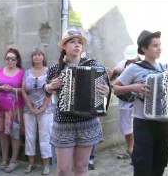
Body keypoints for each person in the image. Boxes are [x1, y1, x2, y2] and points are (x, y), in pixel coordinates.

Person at [44, 28, 110, 176]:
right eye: (72, 42)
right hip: (64, 123)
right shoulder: (55, 68)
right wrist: (50, 86)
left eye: (79, 42)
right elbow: (46, 91)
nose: (77, 45)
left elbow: (105, 91)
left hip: (87, 122)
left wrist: (105, 92)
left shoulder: (94, 66)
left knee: (81, 167)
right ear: (64, 46)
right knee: (63, 170)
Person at [113, 30, 168, 176]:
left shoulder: (165, 68)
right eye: (154, 45)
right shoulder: (134, 68)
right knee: (143, 164)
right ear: (144, 49)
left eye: (159, 45)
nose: (159, 48)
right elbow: (115, 88)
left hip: (164, 122)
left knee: (160, 162)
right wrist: (133, 87)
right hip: (144, 122)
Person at [21, 48, 54, 175]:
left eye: (39, 55)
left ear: (43, 57)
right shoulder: (28, 72)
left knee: (45, 136)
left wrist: (43, 107)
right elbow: (24, 90)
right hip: (29, 109)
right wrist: (31, 107)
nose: (37, 57)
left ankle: (46, 165)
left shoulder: (49, 71)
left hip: (46, 109)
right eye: (34, 55)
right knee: (30, 136)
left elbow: (51, 90)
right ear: (32, 58)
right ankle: (30, 163)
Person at [0, 48, 25, 173]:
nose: (10, 61)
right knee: (2, 133)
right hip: (0, 107)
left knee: (14, 134)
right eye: (8, 58)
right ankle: (4, 159)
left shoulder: (22, 72)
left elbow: (25, 90)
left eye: (13, 58)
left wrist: (12, 90)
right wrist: (1, 87)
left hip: (15, 108)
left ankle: (13, 161)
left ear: (17, 60)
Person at [110, 45, 140, 160]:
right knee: (127, 128)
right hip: (125, 102)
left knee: (137, 127)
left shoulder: (142, 66)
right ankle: (131, 150)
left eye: (133, 58)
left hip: (138, 102)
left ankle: (135, 151)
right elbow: (113, 74)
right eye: (130, 58)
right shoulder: (122, 64)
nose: (131, 60)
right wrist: (112, 74)